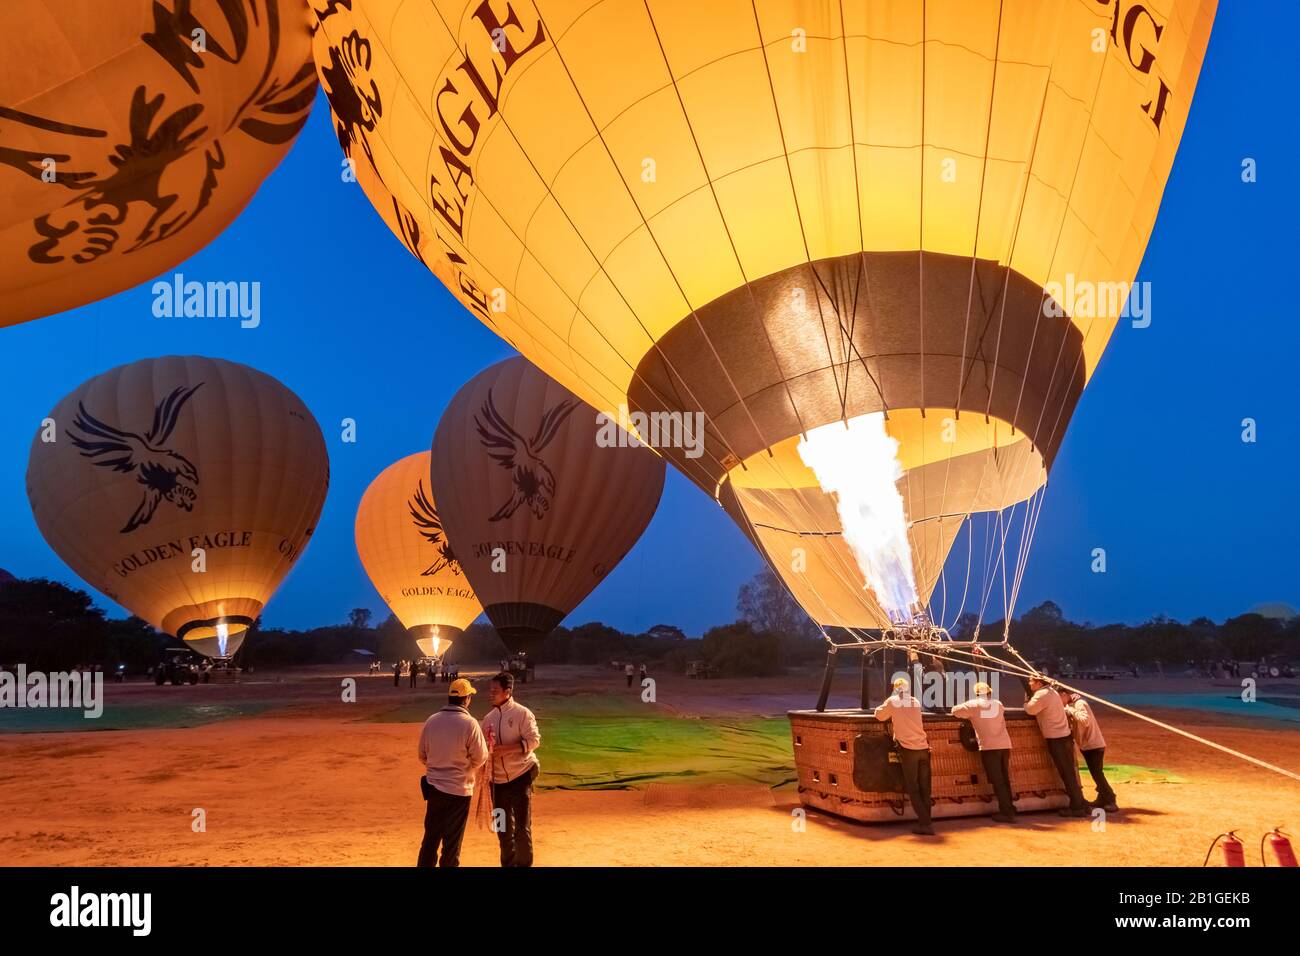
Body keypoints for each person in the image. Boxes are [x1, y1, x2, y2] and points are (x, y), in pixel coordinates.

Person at [416, 678, 488, 867]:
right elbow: (480, 757)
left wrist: (437, 765)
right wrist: (465, 767)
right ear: (467, 699)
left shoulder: (432, 721)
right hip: (459, 790)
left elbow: (422, 755)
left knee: (430, 838)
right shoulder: (469, 723)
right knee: (452, 843)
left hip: (434, 788)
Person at [481, 671, 541, 867]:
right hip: (496, 783)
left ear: (508, 691)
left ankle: (524, 864)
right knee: (502, 828)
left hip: (520, 776)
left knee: (522, 828)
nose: (491, 694)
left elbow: (534, 741)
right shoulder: (488, 718)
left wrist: (505, 750)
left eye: (495, 691)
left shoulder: (522, 714)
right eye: (490, 690)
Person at [874, 676, 933, 835]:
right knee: (925, 787)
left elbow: (879, 715)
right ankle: (926, 820)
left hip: (908, 749)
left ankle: (925, 823)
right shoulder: (915, 701)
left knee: (912, 787)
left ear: (895, 688)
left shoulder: (893, 701)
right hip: (923, 747)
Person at [950, 681, 1016, 822]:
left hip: (989, 747)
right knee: (1004, 778)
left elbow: (955, 711)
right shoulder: (998, 704)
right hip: (1004, 745)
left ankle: (1006, 812)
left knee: (997, 780)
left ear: (976, 693)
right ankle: (1010, 807)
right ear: (990, 692)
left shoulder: (973, 705)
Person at [1024, 676, 1088, 816]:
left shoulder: (1042, 694)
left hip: (1056, 738)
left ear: (1039, 683)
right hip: (1064, 736)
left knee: (1066, 773)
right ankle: (1080, 803)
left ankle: (1077, 807)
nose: (1029, 683)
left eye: (1031, 681)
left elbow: (1030, 710)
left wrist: (1026, 700)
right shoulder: (1051, 691)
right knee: (1069, 771)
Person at [1060, 689, 1117, 812]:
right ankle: (1102, 798)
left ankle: (1111, 798)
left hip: (1094, 745)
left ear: (1064, 694)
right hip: (1087, 745)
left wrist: (1069, 710)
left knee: (1097, 773)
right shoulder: (1073, 704)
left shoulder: (1080, 703)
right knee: (1095, 773)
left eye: (1059, 697)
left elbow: (1085, 721)